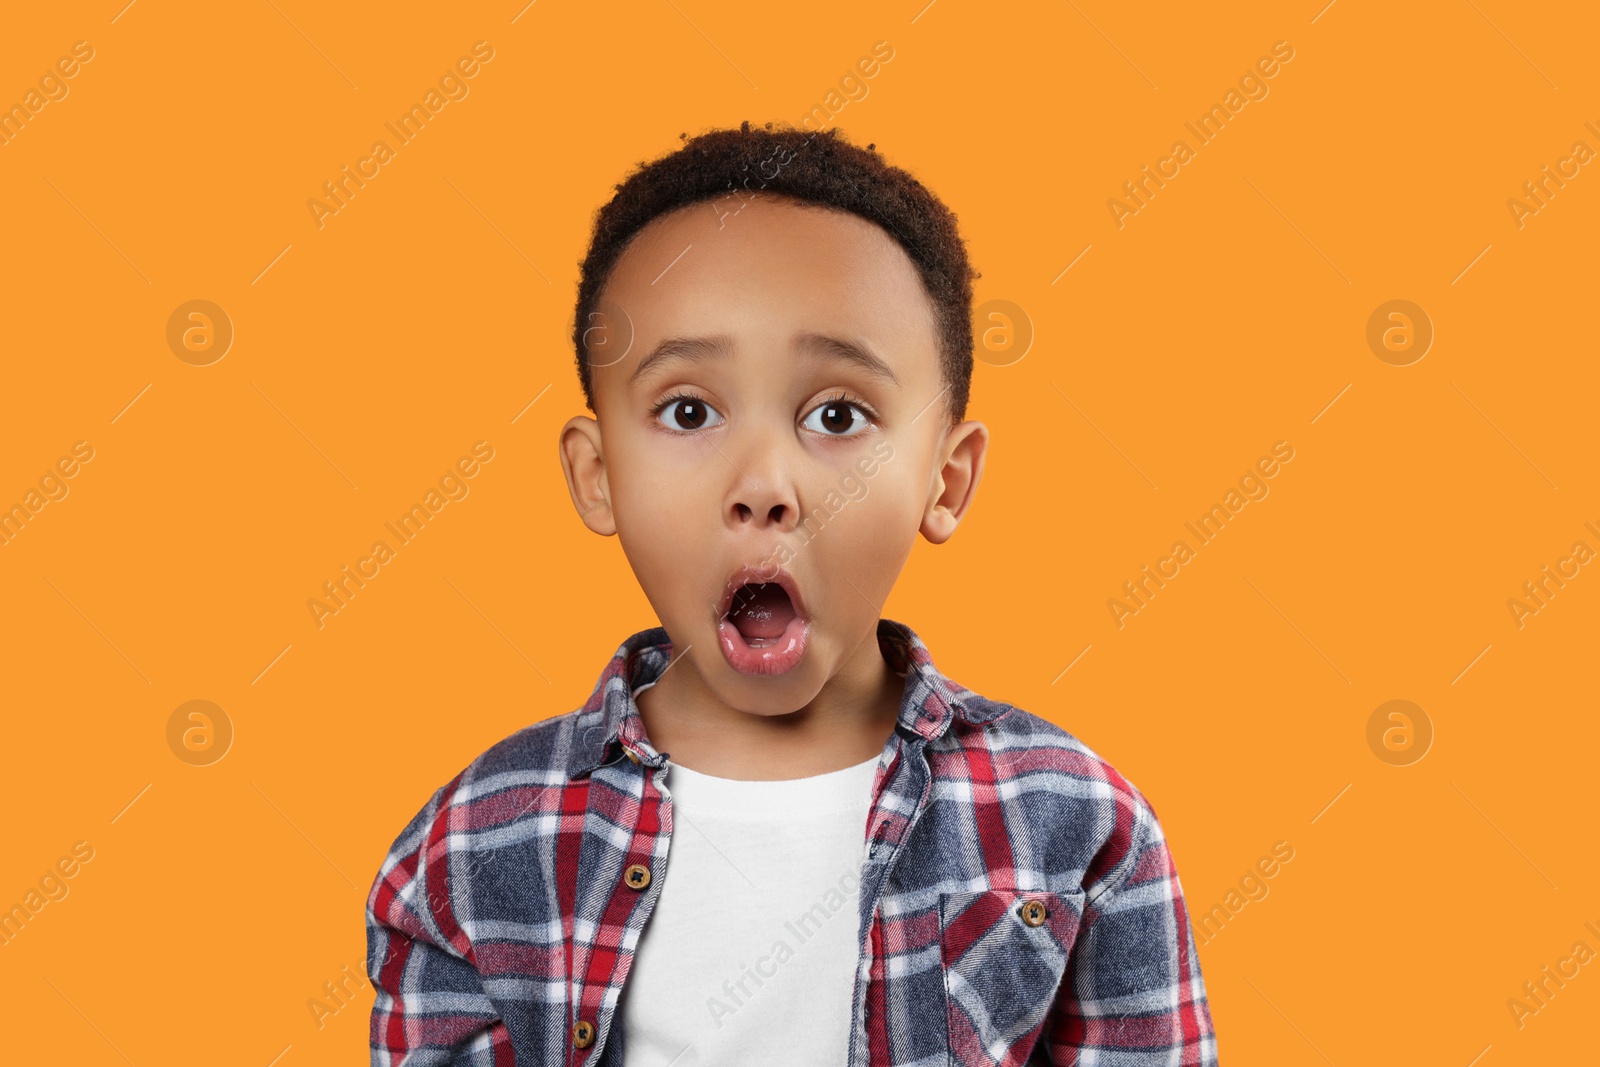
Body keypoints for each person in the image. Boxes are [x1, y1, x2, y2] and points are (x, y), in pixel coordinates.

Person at [366, 120, 1218, 1066]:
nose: (765, 482)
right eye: (689, 410)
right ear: (598, 473)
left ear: (946, 477)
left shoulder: (1079, 825)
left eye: (837, 414)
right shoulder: (472, 850)